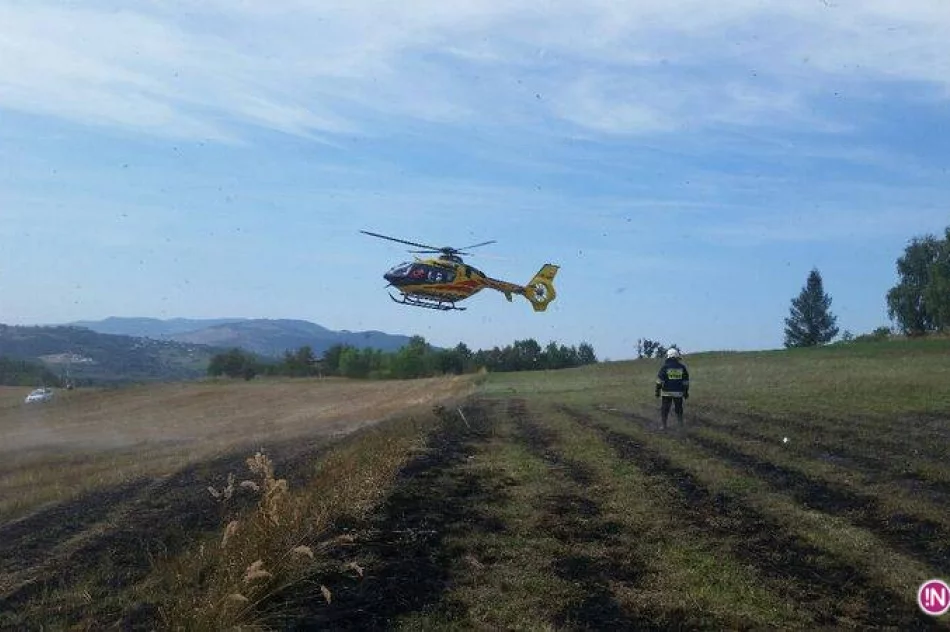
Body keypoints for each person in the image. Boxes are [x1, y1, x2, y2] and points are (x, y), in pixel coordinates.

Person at [655, 347, 689, 428]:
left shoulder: (665, 367)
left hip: (666, 392)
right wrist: (686, 392)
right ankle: (680, 425)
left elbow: (659, 381)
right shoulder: (682, 367)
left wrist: (657, 391)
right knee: (679, 409)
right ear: (677, 357)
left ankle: (664, 425)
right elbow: (685, 382)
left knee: (665, 409)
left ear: (668, 356)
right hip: (678, 393)